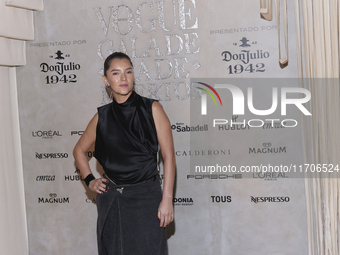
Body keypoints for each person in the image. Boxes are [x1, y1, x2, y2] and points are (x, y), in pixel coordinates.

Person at [73, 52, 176, 255]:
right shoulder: (101, 117)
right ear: (106, 80)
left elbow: (169, 157)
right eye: (116, 73)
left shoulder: (152, 109)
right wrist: (89, 180)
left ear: (133, 75)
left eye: (128, 72)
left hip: (146, 198)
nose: (123, 78)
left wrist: (167, 199)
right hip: (112, 198)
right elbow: (78, 150)